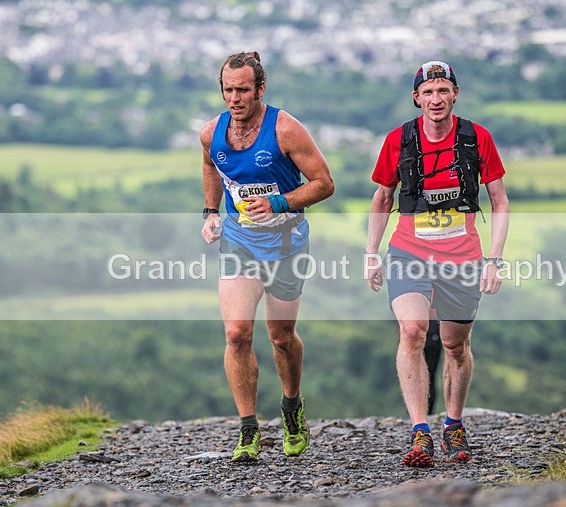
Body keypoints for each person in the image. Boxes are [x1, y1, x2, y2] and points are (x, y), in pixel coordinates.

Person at [365, 60, 509, 467]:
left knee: (454, 345)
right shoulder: (398, 140)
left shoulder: (478, 138)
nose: (436, 98)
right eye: (427, 92)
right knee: (412, 331)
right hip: (409, 251)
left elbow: (499, 202)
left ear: (455, 94)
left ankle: (454, 424)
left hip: (462, 256)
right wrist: (372, 255)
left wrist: (493, 261)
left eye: (443, 90)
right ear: (416, 99)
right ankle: (419, 432)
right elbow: (382, 199)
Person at [200, 52, 334, 462]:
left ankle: (291, 406)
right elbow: (211, 165)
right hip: (239, 241)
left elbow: (324, 184)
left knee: (280, 337)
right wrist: (210, 212)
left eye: (243, 89)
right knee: (237, 333)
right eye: (228, 90)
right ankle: (247, 430)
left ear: (261, 88)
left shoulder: (285, 129)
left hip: (286, 242)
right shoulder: (211, 133)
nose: (234, 98)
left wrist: (277, 201)